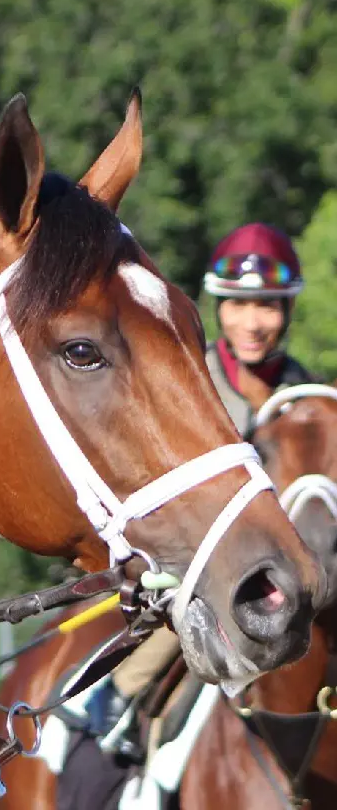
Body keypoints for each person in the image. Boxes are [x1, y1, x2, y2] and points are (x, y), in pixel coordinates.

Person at [74, 222, 314, 764]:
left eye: (268, 307)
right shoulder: (186, 381)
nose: (252, 323)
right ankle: (119, 696)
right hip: (191, 557)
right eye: (237, 305)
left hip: (287, 563)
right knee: (184, 598)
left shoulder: (310, 399)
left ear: (289, 310)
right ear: (218, 307)